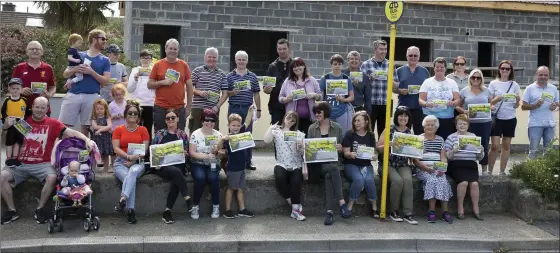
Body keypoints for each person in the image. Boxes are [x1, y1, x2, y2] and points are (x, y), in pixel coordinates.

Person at [1, 97, 95, 225]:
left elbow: (71, 132)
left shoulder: (53, 123)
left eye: (42, 107)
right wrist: (5, 128)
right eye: (37, 107)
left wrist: (87, 140)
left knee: (52, 177)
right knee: (2, 177)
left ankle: (40, 209)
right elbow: (6, 141)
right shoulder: (22, 121)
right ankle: (12, 211)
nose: (39, 110)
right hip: (20, 163)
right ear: (32, 107)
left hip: (42, 164)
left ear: (47, 109)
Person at [307, 101, 351, 226]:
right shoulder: (312, 128)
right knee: (333, 169)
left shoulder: (337, 127)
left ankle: (330, 212)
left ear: (326, 112)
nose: (317, 114)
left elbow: (343, 148)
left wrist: (341, 148)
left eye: (319, 111)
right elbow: (309, 150)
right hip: (318, 165)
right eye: (315, 112)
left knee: (330, 175)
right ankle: (342, 203)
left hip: (333, 163)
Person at [60, 29, 111, 136]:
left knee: (87, 128)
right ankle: (60, 150)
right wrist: (75, 69)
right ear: (94, 40)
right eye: (103, 39)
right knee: (63, 127)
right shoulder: (79, 55)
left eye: (106, 39)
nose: (105, 41)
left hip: (92, 97)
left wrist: (91, 72)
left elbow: (106, 81)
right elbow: (65, 74)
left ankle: (85, 152)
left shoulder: (105, 60)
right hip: (73, 94)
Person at [376, 106, 418, 225]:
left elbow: (411, 152)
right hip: (387, 163)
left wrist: (416, 151)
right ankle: (393, 211)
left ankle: (408, 213)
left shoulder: (409, 132)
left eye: (405, 116)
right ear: (396, 117)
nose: (403, 118)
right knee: (397, 181)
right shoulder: (389, 129)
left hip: (403, 163)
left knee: (407, 180)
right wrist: (389, 145)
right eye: (401, 115)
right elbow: (378, 148)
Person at [151, 109, 194, 224]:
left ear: (178, 119)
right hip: (163, 167)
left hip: (178, 166)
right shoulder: (160, 134)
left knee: (177, 176)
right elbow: (153, 152)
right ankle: (187, 199)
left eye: (173, 117)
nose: (170, 120)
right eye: (168, 118)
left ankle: (167, 212)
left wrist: (185, 153)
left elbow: (188, 153)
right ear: (165, 121)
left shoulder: (183, 135)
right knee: (176, 172)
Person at [263, 111, 307, 221]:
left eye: (293, 120)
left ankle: (295, 211)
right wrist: (271, 128)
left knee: (296, 182)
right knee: (280, 177)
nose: (290, 121)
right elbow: (266, 140)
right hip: (281, 163)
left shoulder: (299, 134)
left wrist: (301, 148)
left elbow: (303, 153)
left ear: (295, 122)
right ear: (284, 118)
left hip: (296, 163)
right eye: (288, 118)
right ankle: (292, 203)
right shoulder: (277, 131)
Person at [112, 99, 150, 224]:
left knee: (132, 173)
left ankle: (123, 199)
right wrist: (128, 157)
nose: (133, 115)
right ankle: (130, 211)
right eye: (130, 113)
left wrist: (133, 161)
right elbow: (116, 148)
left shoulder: (143, 130)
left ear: (138, 116)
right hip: (121, 161)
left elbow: (143, 150)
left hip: (138, 162)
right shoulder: (118, 129)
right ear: (125, 115)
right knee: (130, 179)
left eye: (135, 113)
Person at [412, 115, 453, 223]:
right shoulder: (419, 139)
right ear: (424, 126)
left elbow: (443, 157)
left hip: (437, 169)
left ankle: (445, 212)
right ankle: (431, 211)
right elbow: (415, 160)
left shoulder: (440, 139)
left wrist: (442, 168)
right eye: (428, 125)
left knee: (443, 181)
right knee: (432, 180)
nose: (430, 127)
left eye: (432, 125)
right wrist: (426, 168)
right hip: (423, 169)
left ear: (436, 127)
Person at [148, 38, 194, 133]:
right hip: (161, 108)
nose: (173, 51)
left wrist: (189, 107)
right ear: (165, 49)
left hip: (179, 108)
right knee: (160, 136)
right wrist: (162, 82)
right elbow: (149, 84)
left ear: (178, 50)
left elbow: (190, 86)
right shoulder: (158, 65)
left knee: (178, 137)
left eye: (175, 49)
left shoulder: (184, 65)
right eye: (170, 48)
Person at [444, 114, 484, 220]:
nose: (462, 125)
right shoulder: (451, 137)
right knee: (463, 182)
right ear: (456, 126)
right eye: (460, 124)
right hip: (456, 165)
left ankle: (476, 209)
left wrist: (481, 151)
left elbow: (479, 157)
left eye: (464, 124)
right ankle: (460, 208)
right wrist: (453, 151)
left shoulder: (473, 136)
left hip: (470, 165)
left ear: (468, 125)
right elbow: (446, 156)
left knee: (474, 184)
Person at [226, 50, 261, 170]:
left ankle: (247, 162)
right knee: (233, 134)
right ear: (235, 61)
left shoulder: (253, 76)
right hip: (234, 107)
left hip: (248, 108)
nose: (241, 61)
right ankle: (232, 160)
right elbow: (225, 93)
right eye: (239, 59)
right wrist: (232, 92)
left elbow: (256, 93)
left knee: (247, 135)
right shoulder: (229, 76)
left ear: (247, 61)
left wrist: (259, 109)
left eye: (243, 59)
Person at [219, 111, 255, 219]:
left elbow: (248, 121)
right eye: (233, 125)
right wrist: (222, 139)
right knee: (231, 188)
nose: (236, 127)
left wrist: (250, 110)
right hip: (233, 168)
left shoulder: (242, 133)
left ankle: (242, 210)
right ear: (229, 126)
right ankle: (227, 210)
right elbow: (219, 148)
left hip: (241, 167)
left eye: (238, 125)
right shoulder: (227, 138)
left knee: (240, 189)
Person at [342, 111, 378, 218]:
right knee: (359, 180)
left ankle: (374, 207)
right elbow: (345, 152)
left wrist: (374, 156)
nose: (356, 123)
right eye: (355, 121)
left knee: (369, 180)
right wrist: (349, 154)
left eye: (359, 121)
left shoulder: (371, 135)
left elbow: (373, 152)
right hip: (351, 164)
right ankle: (349, 206)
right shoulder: (349, 134)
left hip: (366, 165)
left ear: (366, 122)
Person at [188, 109, 223, 220]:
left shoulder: (219, 135)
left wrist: (217, 152)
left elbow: (222, 154)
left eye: (212, 120)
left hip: (213, 163)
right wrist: (206, 156)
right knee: (200, 178)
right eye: (206, 120)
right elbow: (192, 153)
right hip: (198, 163)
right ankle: (195, 205)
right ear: (202, 121)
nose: (209, 123)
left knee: (213, 178)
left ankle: (216, 206)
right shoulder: (195, 134)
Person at [488, 60, 521, 176]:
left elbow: (516, 106)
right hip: (497, 118)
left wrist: (517, 101)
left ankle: (502, 171)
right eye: (503, 68)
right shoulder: (493, 84)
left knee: (506, 146)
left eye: (507, 69)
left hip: (510, 118)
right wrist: (497, 99)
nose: (505, 70)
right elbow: (489, 102)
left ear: (511, 71)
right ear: (499, 70)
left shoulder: (514, 85)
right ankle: (489, 171)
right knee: (495, 146)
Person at [360, 40, 399, 137]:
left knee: (384, 132)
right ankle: (369, 151)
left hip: (386, 103)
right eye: (381, 49)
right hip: (370, 103)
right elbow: (360, 86)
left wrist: (389, 77)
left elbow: (396, 86)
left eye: (385, 49)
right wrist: (370, 79)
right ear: (375, 50)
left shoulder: (391, 65)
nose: (384, 51)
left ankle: (382, 152)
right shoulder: (366, 64)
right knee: (368, 130)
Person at [458, 69, 493, 175]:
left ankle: (484, 170)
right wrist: (464, 111)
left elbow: (491, 104)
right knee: (469, 145)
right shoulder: (464, 91)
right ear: (470, 78)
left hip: (485, 122)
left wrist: (492, 107)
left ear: (481, 79)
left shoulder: (487, 91)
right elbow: (458, 106)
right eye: (474, 77)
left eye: (478, 77)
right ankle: (471, 168)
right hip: (470, 122)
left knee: (484, 146)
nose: (476, 79)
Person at [522, 66, 559, 159]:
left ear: (548, 76)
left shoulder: (553, 88)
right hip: (535, 124)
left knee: (548, 152)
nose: (543, 77)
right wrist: (535, 105)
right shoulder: (529, 88)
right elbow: (523, 106)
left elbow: (557, 104)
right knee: (533, 151)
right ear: (536, 75)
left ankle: (546, 173)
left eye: (545, 75)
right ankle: (531, 173)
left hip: (550, 124)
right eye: (541, 75)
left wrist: (554, 106)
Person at [418, 57, 460, 140]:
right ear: (434, 68)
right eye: (437, 67)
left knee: (445, 140)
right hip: (430, 117)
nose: (439, 69)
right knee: (429, 140)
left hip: (446, 118)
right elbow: (420, 100)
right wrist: (426, 104)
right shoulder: (427, 82)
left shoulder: (452, 83)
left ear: (445, 69)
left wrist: (453, 103)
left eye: (442, 67)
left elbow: (458, 99)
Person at [189, 47, 229, 132]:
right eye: (209, 57)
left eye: (214, 57)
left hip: (213, 109)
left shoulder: (222, 74)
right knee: (195, 132)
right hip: (197, 108)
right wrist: (199, 92)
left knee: (213, 134)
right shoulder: (197, 71)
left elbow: (225, 94)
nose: (211, 59)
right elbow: (189, 88)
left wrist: (217, 106)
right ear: (205, 57)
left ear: (217, 58)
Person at [11, 41, 56, 116]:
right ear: (27, 52)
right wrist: (21, 90)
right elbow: (11, 87)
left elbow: (53, 87)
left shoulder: (48, 68)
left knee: (43, 128)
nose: (35, 51)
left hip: (42, 109)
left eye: (37, 49)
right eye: (31, 49)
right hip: (21, 108)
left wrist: (49, 95)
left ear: (42, 52)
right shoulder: (19, 68)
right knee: (22, 128)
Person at [278, 57, 322, 134]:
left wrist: (314, 95)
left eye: (299, 66)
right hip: (292, 120)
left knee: (306, 141)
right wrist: (287, 99)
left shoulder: (312, 80)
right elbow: (280, 98)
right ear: (292, 69)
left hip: (309, 118)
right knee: (293, 141)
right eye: (294, 67)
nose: (297, 68)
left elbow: (320, 97)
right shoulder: (287, 81)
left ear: (304, 66)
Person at [395, 46, 430, 135]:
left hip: (420, 109)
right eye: (410, 55)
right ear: (406, 56)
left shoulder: (424, 71)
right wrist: (400, 91)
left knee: (420, 134)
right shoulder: (399, 71)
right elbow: (393, 88)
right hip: (403, 108)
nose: (413, 57)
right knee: (403, 134)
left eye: (415, 55)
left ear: (419, 57)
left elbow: (429, 89)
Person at [319, 54, 355, 135]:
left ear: (342, 65)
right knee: (327, 135)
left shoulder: (346, 78)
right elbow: (320, 96)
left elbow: (352, 97)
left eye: (339, 64)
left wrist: (343, 100)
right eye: (335, 64)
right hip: (327, 112)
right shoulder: (325, 78)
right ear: (331, 65)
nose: (337, 66)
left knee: (343, 135)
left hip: (342, 111)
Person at [127, 49, 156, 143]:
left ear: (151, 59)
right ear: (140, 59)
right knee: (135, 128)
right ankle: (135, 153)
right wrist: (135, 79)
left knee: (147, 129)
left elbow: (156, 88)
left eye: (148, 58)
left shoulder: (154, 70)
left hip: (150, 103)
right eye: (143, 57)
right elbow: (129, 89)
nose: (145, 60)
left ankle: (147, 154)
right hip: (136, 104)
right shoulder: (135, 70)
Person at [264, 38, 292, 125]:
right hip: (276, 106)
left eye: (284, 49)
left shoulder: (295, 65)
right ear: (277, 49)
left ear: (289, 49)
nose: (282, 51)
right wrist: (267, 90)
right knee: (276, 132)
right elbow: (265, 90)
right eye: (280, 49)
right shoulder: (272, 67)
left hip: (292, 105)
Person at [1, 78, 28, 167]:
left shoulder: (24, 100)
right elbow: (3, 111)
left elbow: (27, 112)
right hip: (10, 123)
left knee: (18, 142)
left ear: (21, 89)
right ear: (9, 89)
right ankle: (9, 158)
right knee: (9, 141)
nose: (15, 90)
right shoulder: (7, 100)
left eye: (17, 88)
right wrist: (5, 120)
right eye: (13, 88)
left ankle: (15, 158)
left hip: (21, 124)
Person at [90, 98, 114, 173]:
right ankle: (93, 170)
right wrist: (106, 128)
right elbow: (95, 127)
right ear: (94, 109)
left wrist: (100, 130)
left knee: (106, 155)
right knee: (95, 154)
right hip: (97, 139)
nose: (99, 110)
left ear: (105, 109)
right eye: (97, 109)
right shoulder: (94, 118)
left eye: (101, 109)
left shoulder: (107, 117)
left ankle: (106, 170)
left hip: (106, 139)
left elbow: (109, 125)